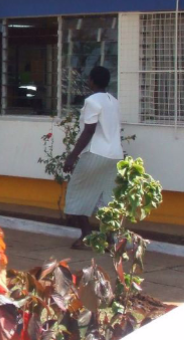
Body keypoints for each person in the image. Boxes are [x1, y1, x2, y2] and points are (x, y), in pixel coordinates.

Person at [63, 65, 123, 249]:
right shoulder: (114, 101)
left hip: (95, 153)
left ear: (92, 81)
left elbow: (89, 130)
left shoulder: (92, 101)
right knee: (107, 199)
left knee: (76, 193)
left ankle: (86, 237)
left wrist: (72, 156)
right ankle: (110, 240)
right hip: (115, 155)